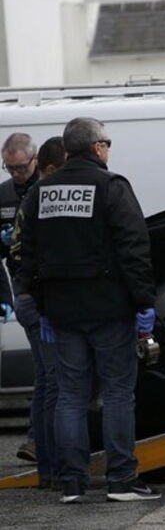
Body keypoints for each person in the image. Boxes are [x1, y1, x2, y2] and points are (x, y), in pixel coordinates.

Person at [16, 119, 161, 503]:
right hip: (110, 309)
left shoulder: (40, 193)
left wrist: (42, 305)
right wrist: (144, 304)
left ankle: (72, 483)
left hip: (62, 312)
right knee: (116, 393)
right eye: (107, 143)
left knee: (69, 395)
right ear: (97, 147)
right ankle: (121, 480)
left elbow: (28, 257)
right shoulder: (112, 186)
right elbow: (134, 249)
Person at [10, 136, 67, 489]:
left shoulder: (32, 198)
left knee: (49, 383)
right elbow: (27, 256)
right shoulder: (43, 199)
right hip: (38, 301)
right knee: (56, 384)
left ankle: (48, 465)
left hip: (30, 297)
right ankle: (54, 468)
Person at [0, 133, 40, 465]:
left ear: (35, 159)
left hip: (52, 290)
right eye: (9, 168)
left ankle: (41, 441)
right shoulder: (3, 194)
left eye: (20, 168)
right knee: (48, 371)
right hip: (24, 291)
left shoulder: (47, 187)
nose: (16, 174)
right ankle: (39, 441)